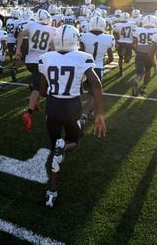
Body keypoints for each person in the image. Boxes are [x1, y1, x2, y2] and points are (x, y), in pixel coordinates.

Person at [38, 25, 106, 207]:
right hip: (72, 106)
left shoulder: (46, 58)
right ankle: (64, 149)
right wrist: (99, 113)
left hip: (52, 105)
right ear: (75, 40)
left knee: (54, 146)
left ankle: (52, 188)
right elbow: (96, 83)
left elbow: (42, 91)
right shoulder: (82, 58)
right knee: (74, 142)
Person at [16, 9, 56, 133]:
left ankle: (36, 101)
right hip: (41, 61)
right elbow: (53, 48)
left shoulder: (32, 25)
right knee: (39, 87)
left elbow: (21, 34)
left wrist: (18, 50)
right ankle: (29, 112)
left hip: (29, 61)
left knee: (38, 83)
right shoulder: (52, 30)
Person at [79, 16, 114, 125]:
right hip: (98, 68)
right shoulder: (109, 38)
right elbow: (111, 58)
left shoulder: (83, 36)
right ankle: (84, 115)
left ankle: (76, 110)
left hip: (84, 67)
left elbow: (81, 53)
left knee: (77, 91)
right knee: (92, 94)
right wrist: (103, 63)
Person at [131, 14, 157, 96]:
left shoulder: (137, 30)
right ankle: (144, 87)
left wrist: (137, 51)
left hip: (140, 53)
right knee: (147, 71)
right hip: (150, 54)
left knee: (139, 73)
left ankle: (136, 80)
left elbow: (133, 44)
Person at [113, 12, 136, 76]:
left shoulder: (117, 25)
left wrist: (116, 42)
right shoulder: (133, 24)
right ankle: (120, 71)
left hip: (121, 43)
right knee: (127, 60)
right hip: (129, 43)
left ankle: (120, 70)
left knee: (120, 57)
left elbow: (115, 33)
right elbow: (135, 34)